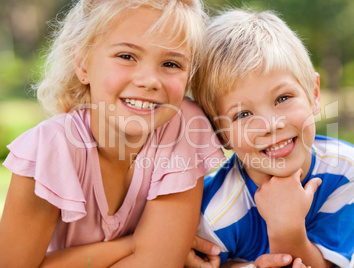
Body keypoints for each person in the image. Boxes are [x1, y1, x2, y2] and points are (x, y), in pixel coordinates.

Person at [0, 0, 225, 267]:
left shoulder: (184, 128)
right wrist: (137, 242)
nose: (149, 81)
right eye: (126, 56)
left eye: (171, 63)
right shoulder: (51, 149)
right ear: (82, 64)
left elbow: (157, 263)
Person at [187, 9, 354, 268]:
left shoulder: (344, 168)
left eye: (282, 98)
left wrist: (287, 227)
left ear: (314, 94)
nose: (271, 125)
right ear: (220, 135)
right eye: (243, 114)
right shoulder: (215, 215)